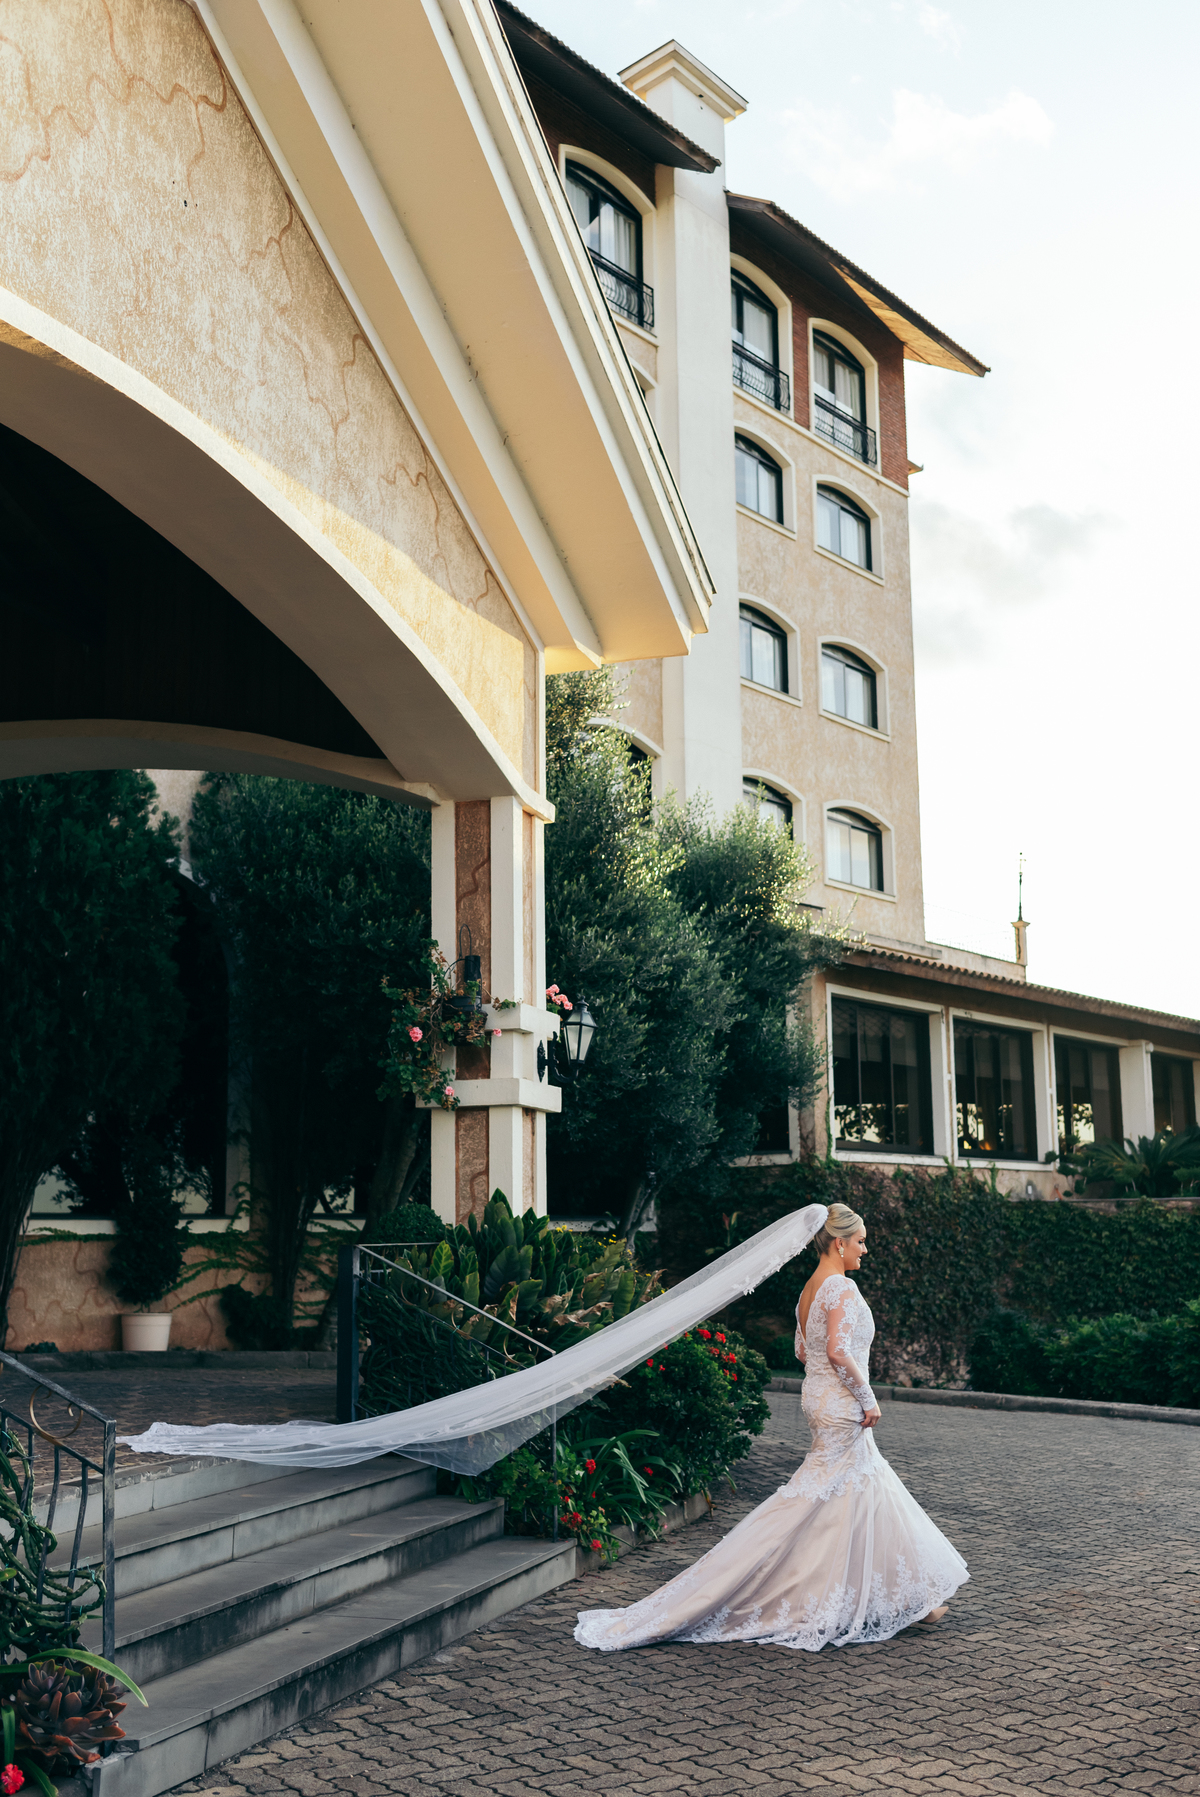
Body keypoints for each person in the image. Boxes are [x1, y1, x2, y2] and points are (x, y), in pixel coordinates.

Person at [575, 1202, 968, 1653]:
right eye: (860, 1240)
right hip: (841, 1402)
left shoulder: (808, 1290)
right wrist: (869, 1397)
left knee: (857, 1491)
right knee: (831, 1495)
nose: (865, 1248)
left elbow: (804, 1351)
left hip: (818, 1398)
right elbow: (838, 1352)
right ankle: (877, 1595)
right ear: (838, 1243)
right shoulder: (840, 1287)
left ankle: (909, 1598)